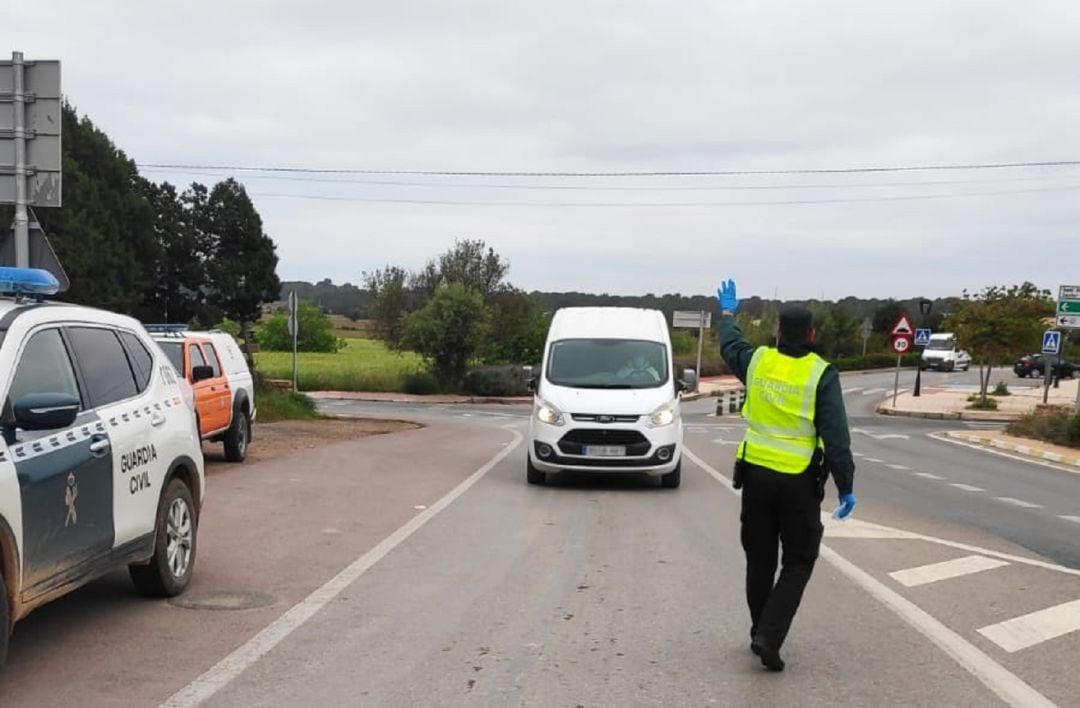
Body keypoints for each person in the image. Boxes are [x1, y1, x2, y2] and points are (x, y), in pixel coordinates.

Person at [716, 279, 856, 672]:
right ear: (812, 335)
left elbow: (731, 346)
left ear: (778, 333)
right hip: (798, 484)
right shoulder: (821, 374)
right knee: (798, 562)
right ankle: (769, 636)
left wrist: (727, 315)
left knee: (759, 560)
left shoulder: (758, 360)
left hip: (756, 478)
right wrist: (846, 486)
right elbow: (837, 439)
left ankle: (759, 630)